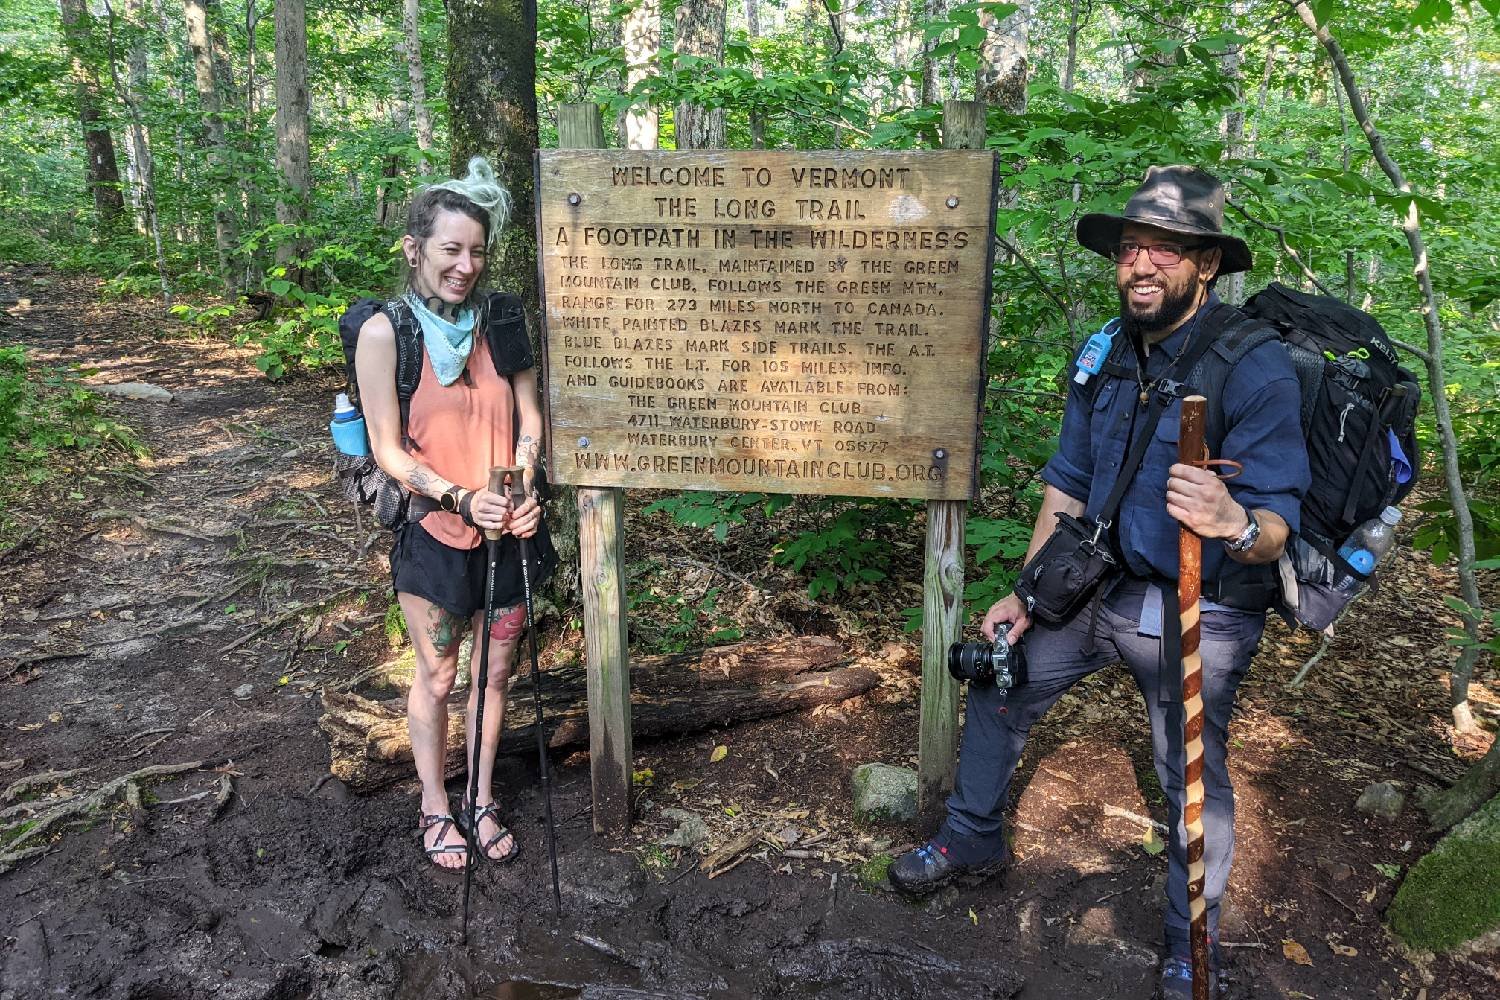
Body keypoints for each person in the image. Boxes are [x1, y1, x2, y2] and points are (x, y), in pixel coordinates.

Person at [888, 166, 1310, 999]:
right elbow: (1068, 478)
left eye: (1164, 249)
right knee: (1002, 680)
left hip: (1202, 603)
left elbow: (1276, 530)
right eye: (1129, 248)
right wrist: (1026, 590)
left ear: (1207, 265)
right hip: (1094, 585)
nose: (1141, 265)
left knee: (1189, 766)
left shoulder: (1253, 370)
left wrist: (1232, 521)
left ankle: (1191, 936)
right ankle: (972, 838)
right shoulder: (1108, 351)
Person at [356, 157, 552, 870]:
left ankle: (481, 795)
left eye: (475, 251)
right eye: (450, 249)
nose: (465, 265)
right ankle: (434, 806)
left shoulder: (502, 321)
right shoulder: (385, 332)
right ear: (415, 250)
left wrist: (524, 486)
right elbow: (387, 450)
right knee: (438, 677)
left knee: (494, 676)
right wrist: (462, 496)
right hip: (436, 532)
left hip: (511, 530)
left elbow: (531, 419)